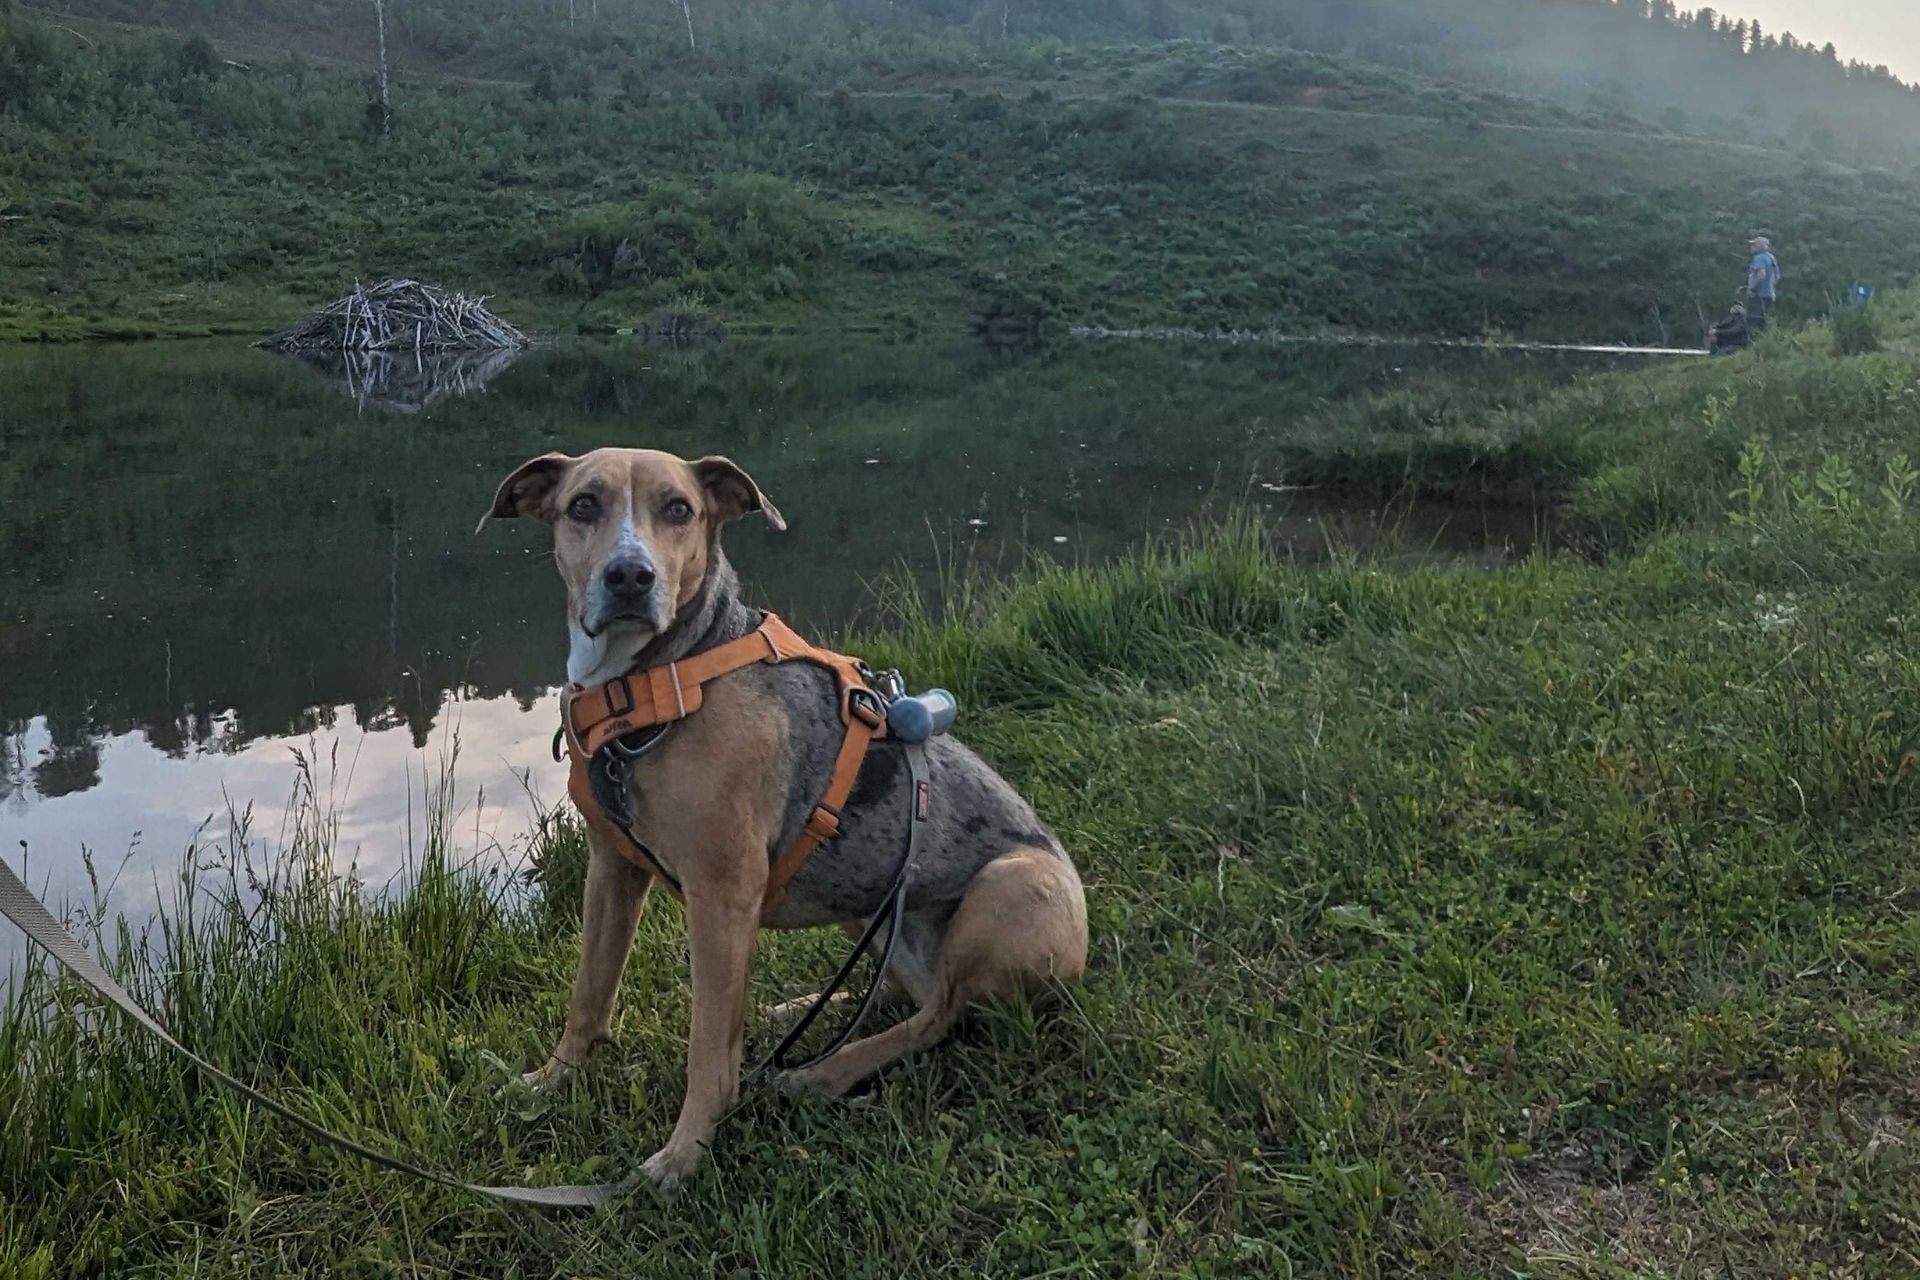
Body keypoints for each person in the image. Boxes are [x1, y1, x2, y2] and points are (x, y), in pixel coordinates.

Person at [1745, 235, 1779, 332]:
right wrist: (1770, 287)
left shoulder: (1759, 258)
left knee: (1753, 321)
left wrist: (1753, 289)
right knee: (1762, 321)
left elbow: (1761, 275)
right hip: (1769, 295)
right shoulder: (1771, 257)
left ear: (1760, 246)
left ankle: (1751, 344)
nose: (1751, 247)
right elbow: (1777, 276)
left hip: (1758, 295)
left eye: (1754, 245)